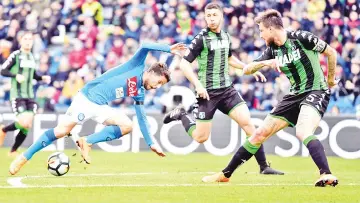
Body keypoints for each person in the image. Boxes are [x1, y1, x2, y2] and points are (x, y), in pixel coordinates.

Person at [202, 9, 338, 187]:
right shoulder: (272, 50)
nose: (260, 35)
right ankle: (225, 174)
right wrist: (265, 63)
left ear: (271, 29)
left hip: (316, 91)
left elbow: (331, 52)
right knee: (259, 134)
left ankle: (326, 174)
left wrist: (329, 79)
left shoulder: (301, 37)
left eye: (261, 31)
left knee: (303, 131)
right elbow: (246, 69)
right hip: (293, 95)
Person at [9, 42, 186, 175]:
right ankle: (24, 157)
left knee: (127, 125)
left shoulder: (139, 91)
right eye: (159, 82)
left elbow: (142, 117)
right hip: (87, 98)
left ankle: (87, 141)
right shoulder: (136, 66)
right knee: (62, 131)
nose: (157, 87)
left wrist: (151, 143)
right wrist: (167, 49)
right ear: (151, 73)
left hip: (100, 105)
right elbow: (145, 46)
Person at [163, 3, 283, 175]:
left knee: (248, 124)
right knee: (200, 137)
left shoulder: (226, 37)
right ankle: (181, 114)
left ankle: (264, 166)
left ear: (221, 17)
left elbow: (229, 58)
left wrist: (249, 68)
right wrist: (198, 85)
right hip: (208, 93)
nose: (211, 18)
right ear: (205, 18)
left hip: (227, 90)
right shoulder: (201, 38)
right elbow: (184, 63)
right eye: (208, 15)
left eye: (214, 15)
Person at [0, 32, 51, 156]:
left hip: (30, 96)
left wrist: (41, 78)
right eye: (26, 39)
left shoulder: (32, 57)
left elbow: (32, 74)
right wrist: (15, 75)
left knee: (27, 125)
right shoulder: (16, 55)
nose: (28, 41)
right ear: (20, 41)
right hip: (17, 95)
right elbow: (3, 70)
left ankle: (13, 151)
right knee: (23, 122)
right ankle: (3, 130)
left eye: (30, 39)